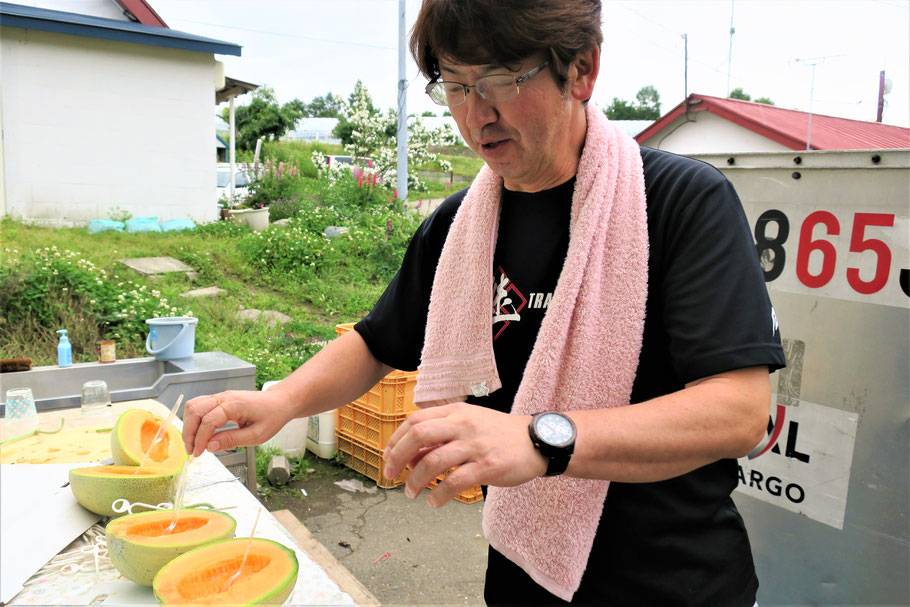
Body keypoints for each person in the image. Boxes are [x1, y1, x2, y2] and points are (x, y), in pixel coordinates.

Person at [183, 1, 786, 604]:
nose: (476, 115)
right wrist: (278, 400)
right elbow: (378, 341)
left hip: (677, 583)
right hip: (522, 575)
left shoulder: (678, 202)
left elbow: (738, 411)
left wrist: (541, 439)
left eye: (500, 80)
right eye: (455, 86)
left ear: (581, 69)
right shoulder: (461, 227)